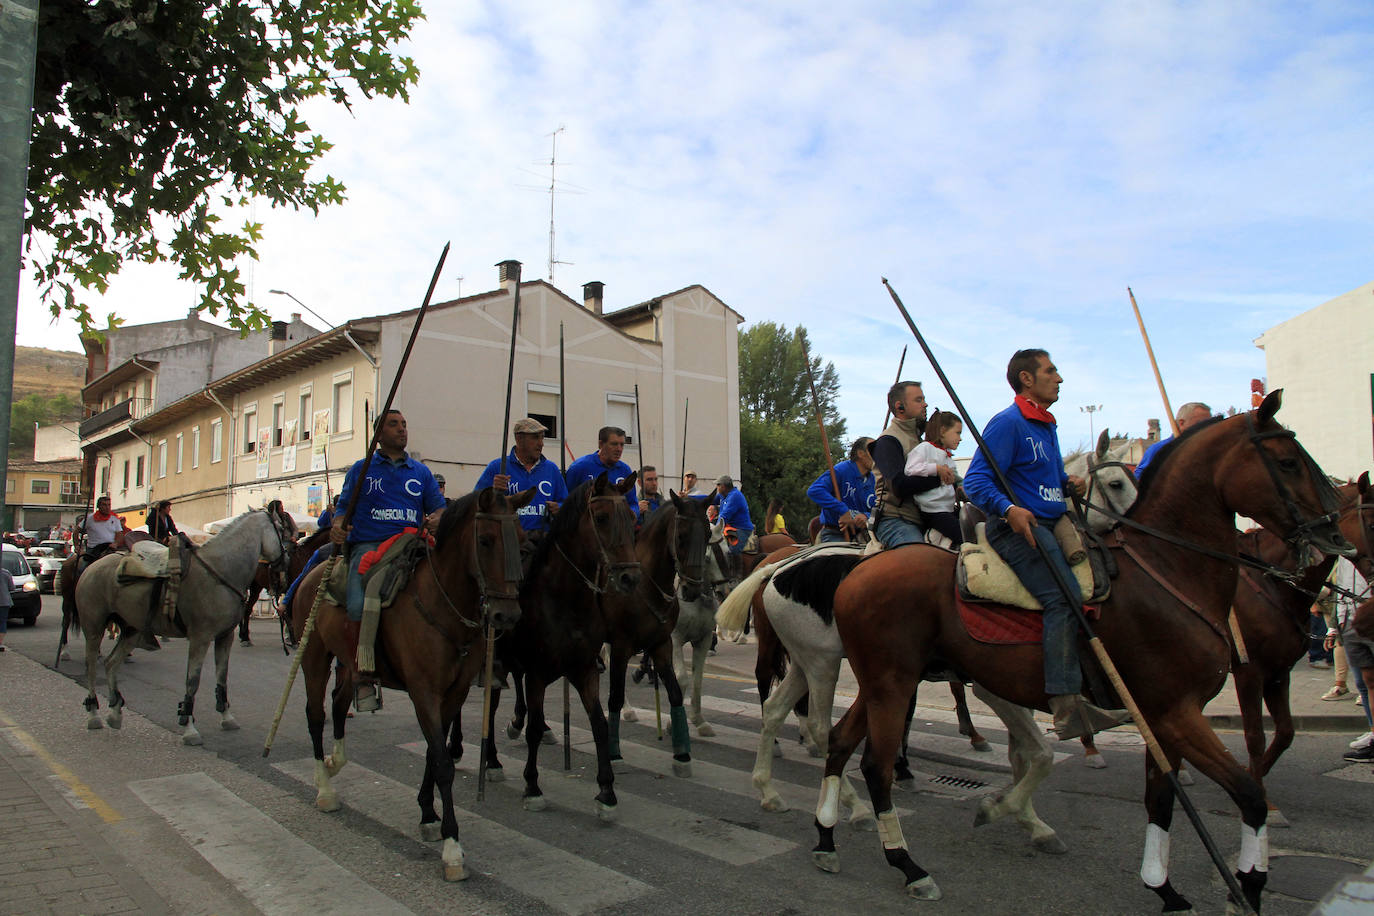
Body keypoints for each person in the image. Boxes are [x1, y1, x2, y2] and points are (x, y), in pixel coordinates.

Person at [963, 349, 1129, 741]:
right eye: (1051, 371)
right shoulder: (1008, 423)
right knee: (1064, 598)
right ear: (1026, 379)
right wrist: (1008, 509)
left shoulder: (1047, 426)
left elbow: (1050, 479)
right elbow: (976, 481)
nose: (1059, 378)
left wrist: (1068, 485)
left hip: (1058, 525)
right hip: (1020, 529)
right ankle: (1067, 705)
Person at [331, 409, 445, 712]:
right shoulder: (361, 468)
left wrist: (436, 519)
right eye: (393, 425)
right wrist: (338, 526)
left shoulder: (420, 472)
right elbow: (342, 510)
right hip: (370, 546)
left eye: (404, 424)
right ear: (378, 434)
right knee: (357, 603)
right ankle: (361, 672)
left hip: (412, 545)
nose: (402, 430)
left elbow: (438, 509)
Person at [869, 381, 945, 548]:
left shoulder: (920, 439)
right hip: (896, 520)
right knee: (919, 560)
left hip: (925, 516)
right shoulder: (888, 441)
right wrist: (941, 479)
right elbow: (899, 486)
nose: (925, 404)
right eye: (918, 400)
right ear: (900, 406)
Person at [1319, 558, 1374, 760]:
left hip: (1369, 617)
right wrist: (1334, 626)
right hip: (1348, 619)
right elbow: (1340, 588)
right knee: (1365, 684)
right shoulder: (1342, 554)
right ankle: (1373, 735)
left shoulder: (1367, 541)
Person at [475, 417, 568, 537]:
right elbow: (476, 504)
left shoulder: (552, 469)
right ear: (519, 439)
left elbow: (565, 502)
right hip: (508, 539)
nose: (541, 443)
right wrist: (493, 491)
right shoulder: (497, 467)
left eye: (542, 437)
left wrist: (559, 508)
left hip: (543, 539)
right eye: (535, 438)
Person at [904, 410, 964, 546]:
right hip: (933, 510)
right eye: (957, 433)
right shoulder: (925, 448)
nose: (960, 438)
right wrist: (936, 469)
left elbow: (956, 480)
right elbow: (910, 469)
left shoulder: (947, 457)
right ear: (943, 431)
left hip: (947, 509)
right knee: (963, 535)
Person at [807, 438, 876, 544]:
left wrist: (866, 516)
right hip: (835, 533)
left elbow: (878, 507)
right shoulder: (841, 470)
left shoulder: (874, 479)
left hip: (864, 534)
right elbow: (815, 490)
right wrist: (842, 510)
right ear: (861, 453)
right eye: (873, 450)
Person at [565, 426, 638, 514]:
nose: (619, 449)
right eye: (614, 444)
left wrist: (633, 513)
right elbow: (565, 501)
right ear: (601, 444)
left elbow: (633, 504)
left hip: (617, 525)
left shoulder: (625, 470)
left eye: (622, 444)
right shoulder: (580, 467)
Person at [1133, 402, 1213, 480]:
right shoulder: (1159, 449)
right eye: (1201, 424)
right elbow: (1139, 480)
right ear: (1181, 423)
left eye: (1209, 424)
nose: (1206, 428)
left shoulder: (1208, 450)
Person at [707, 475, 754, 555]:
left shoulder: (735, 496)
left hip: (742, 529)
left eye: (718, 485)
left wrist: (716, 529)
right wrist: (689, 497)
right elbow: (708, 499)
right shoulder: (723, 496)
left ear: (724, 487)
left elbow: (724, 516)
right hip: (730, 529)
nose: (717, 487)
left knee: (731, 551)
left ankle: (736, 567)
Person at [0, 563, 11, 652]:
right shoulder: (6, 573)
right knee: (2, 621)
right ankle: (0, 643)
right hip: (4, 601)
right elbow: (12, 587)